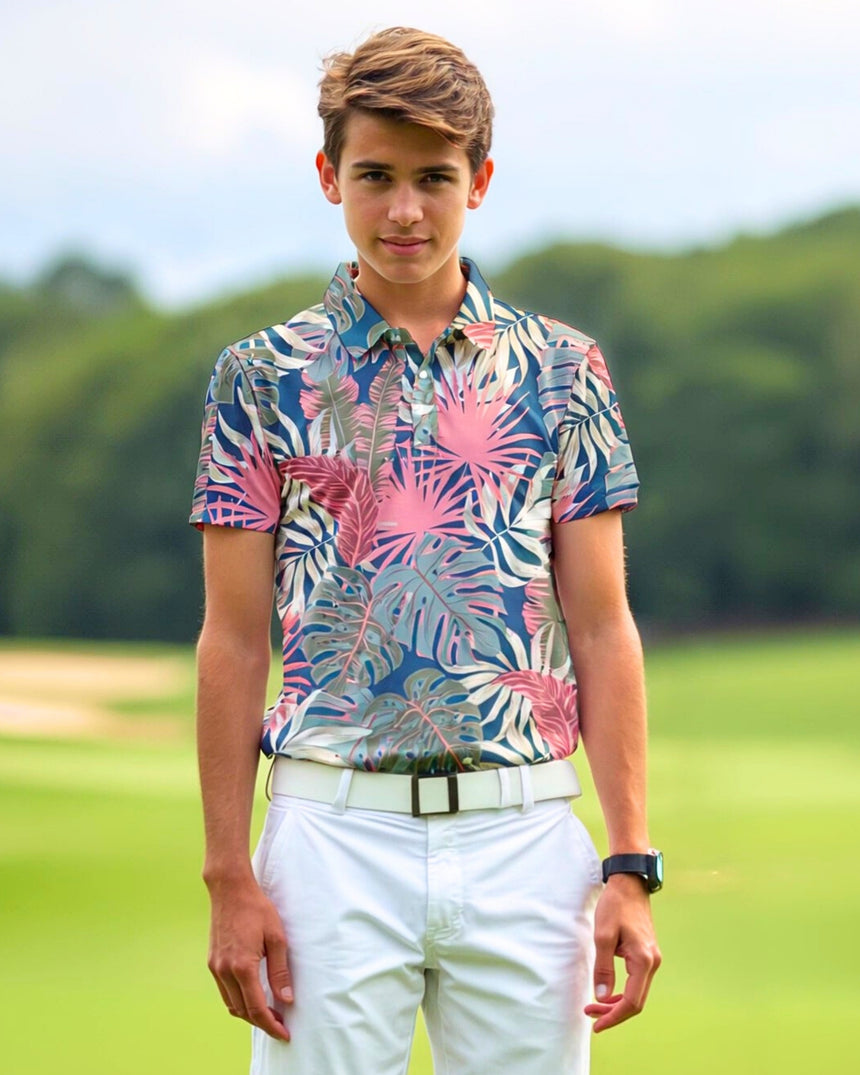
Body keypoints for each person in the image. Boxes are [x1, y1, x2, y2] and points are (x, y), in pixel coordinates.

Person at [190, 25, 661, 1075]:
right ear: (329, 178)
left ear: (478, 182)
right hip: (327, 838)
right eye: (375, 176)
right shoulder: (259, 377)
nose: (404, 210)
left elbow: (601, 625)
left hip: (526, 837)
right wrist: (228, 873)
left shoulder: (562, 370)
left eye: (433, 179)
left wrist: (629, 861)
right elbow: (232, 638)